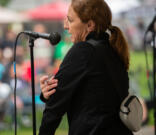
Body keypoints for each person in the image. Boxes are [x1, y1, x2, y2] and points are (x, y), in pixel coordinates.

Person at [39, 0, 133, 135]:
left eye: (70, 20)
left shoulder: (83, 51)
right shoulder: (113, 50)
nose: (66, 26)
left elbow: (55, 107)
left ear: (89, 25)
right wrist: (49, 93)